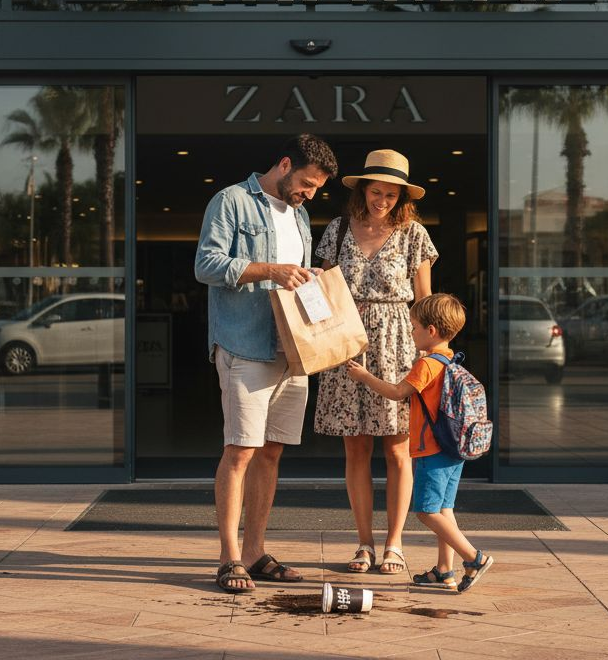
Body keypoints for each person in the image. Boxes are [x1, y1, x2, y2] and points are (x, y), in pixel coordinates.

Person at [194, 134, 339, 594]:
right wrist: (271, 269)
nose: (310, 195)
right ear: (283, 164)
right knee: (240, 451)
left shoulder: (299, 214)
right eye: (307, 184)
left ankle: (255, 552)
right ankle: (228, 558)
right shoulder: (231, 201)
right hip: (244, 344)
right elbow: (207, 264)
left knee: (271, 451)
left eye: (316, 189)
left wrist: (305, 275)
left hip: (291, 348)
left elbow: (291, 274)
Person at [313, 149, 436, 576]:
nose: (382, 200)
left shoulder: (414, 234)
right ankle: (364, 543)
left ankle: (395, 544)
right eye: (375, 191)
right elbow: (324, 294)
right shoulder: (337, 229)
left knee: (399, 448)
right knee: (356, 447)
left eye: (391, 194)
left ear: (402, 196)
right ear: (362, 190)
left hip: (398, 345)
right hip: (346, 345)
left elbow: (424, 304)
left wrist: (428, 360)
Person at [345, 294, 495, 593]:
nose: (411, 333)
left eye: (414, 328)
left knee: (426, 512)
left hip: (432, 449)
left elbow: (397, 392)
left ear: (432, 331)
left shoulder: (426, 365)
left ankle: (473, 557)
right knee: (444, 509)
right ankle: (444, 570)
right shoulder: (451, 360)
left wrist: (364, 376)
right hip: (454, 449)